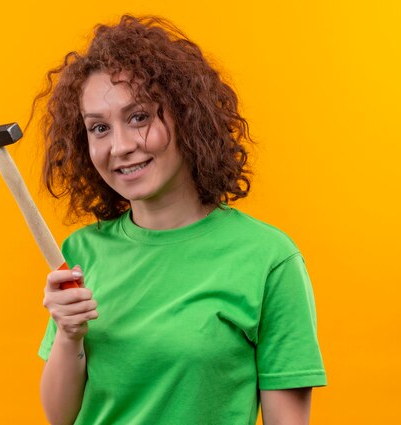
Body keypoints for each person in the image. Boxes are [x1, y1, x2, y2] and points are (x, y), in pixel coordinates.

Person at [33, 15, 327, 425]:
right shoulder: (81, 253)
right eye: (99, 127)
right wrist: (68, 335)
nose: (119, 146)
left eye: (138, 117)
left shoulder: (268, 259)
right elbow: (60, 417)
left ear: (187, 116)